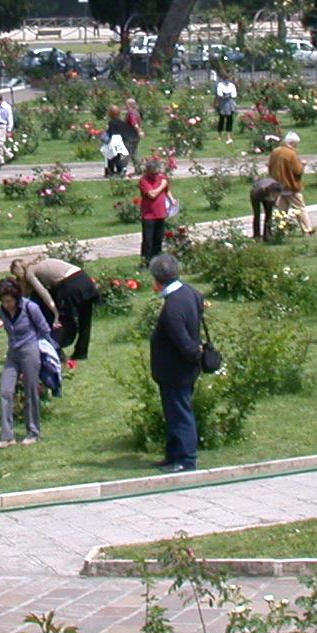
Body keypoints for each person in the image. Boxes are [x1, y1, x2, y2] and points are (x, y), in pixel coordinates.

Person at [147, 253, 204, 474]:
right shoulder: (190, 292)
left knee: (180, 413)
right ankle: (172, 454)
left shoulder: (172, 308)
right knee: (173, 412)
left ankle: (186, 459)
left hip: (176, 370)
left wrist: (194, 354)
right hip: (182, 369)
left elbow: (184, 343)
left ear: (157, 279)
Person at [0, 278, 50, 447]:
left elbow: (44, 329)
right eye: (3, 301)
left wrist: (43, 352)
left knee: (30, 391)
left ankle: (33, 432)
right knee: (5, 391)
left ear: (16, 297)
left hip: (30, 350)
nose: (6, 304)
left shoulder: (30, 307)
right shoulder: (1, 310)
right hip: (13, 353)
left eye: (9, 301)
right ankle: (7, 435)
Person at [12, 254, 99, 362]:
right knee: (85, 319)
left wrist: (56, 313)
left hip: (70, 284)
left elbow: (44, 295)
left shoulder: (30, 272)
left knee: (63, 322)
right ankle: (81, 353)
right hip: (84, 278)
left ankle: (54, 351)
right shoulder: (40, 262)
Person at [268, 132, 313, 235]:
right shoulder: (291, 154)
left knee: (281, 210)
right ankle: (307, 229)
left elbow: (270, 167)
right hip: (291, 186)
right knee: (300, 208)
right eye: (296, 144)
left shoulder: (275, 152)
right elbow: (298, 171)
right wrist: (303, 164)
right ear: (292, 143)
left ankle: (281, 230)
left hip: (278, 186)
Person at [136, 158, 172, 264]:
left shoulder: (161, 178)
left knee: (158, 240)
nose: (155, 176)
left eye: (156, 173)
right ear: (147, 171)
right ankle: (146, 262)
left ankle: (157, 262)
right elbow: (152, 194)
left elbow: (167, 190)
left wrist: (171, 199)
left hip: (160, 214)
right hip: (149, 215)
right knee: (148, 241)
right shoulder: (143, 180)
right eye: (153, 174)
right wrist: (162, 185)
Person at [248, 175, 283, 241]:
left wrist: (275, 201)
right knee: (257, 214)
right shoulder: (260, 190)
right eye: (274, 194)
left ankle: (267, 235)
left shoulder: (278, 188)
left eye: (276, 194)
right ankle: (256, 235)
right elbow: (255, 197)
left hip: (268, 193)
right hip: (256, 195)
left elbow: (278, 197)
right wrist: (268, 198)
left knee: (269, 214)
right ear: (270, 191)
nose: (275, 195)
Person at [0, 89, 15, 170]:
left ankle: (0, 160)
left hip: (3, 126)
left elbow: (10, 118)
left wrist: (9, 130)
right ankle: (9, 155)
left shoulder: (7, 107)